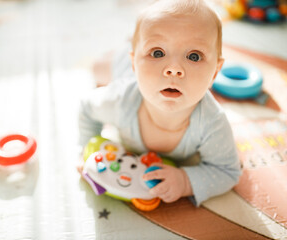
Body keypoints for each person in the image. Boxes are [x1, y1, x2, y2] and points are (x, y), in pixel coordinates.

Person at [78, 0, 241, 207]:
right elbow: (86, 107)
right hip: (122, 69)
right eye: (157, 53)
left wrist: (184, 182)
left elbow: (228, 171)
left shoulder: (212, 123)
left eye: (193, 56)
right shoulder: (118, 100)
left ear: (215, 72)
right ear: (135, 63)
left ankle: (140, 45)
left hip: (138, 64)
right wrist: (86, 148)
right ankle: (126, 48)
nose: (174, 69)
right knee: (97, 68)